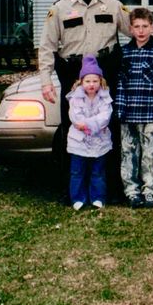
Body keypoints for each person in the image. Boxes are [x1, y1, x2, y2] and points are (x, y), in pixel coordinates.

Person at [38, 0, 153, 193]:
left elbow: (138, 29)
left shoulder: (112, 6)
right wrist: (45, 81)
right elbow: (47, 47)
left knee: (108, 127)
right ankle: (73, 186)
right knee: (74, 127)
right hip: (73, 73)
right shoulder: (59, 9)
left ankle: (109, 185)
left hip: (105, 72)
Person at [115, 8, 153, 209]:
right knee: (129, 152)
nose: (141, 31)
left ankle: (149, 190)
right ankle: (131, 191)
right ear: (131, 29)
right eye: (137, 27)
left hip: (152, 114)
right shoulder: (124, 53)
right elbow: (120, 84)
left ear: (152, 28)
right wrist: (120, 111)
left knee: (151, 154)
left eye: (145, 26)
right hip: (130, 114)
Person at [66, 55, 112, 210]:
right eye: (87, 81)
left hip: (100, 140)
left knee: (97, 171)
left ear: (100, 81)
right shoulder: (75, 98)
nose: (91, 85)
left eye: (95, 81)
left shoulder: (105, 97)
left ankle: (97, 197)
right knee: (77, 171)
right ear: (81, 82)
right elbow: (76, 117)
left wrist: (90, 124)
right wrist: (88, 124)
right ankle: (77, 198)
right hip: (79, 141)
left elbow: (105, 116)